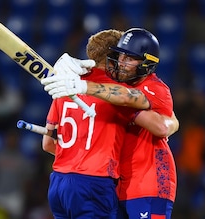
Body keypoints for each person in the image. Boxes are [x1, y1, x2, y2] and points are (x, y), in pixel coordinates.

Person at [43, 28, 177, 219]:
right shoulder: (110, 88)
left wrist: (82, 84)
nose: (121, 63)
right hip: (114, 183)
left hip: (147, 182)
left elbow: (160, 124)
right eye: (120, 56)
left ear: (147, 63)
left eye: (129, 58)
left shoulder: (153, 88)